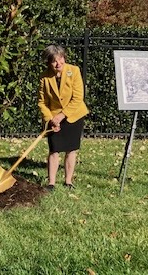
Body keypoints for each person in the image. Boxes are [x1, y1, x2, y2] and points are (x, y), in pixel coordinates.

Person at [37, 45, 89, 190]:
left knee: (71, 150)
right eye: (54, 61)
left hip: (73, 115)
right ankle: (51, 183)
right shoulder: (44, 77)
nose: (58, 63)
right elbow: (42, 102)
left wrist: (62, 116)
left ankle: (68, 181)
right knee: (54, 150)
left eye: (60, 59)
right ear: (48, 62)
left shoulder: (75, 71)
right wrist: (50, 119)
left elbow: (78, 98)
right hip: (53, 119)